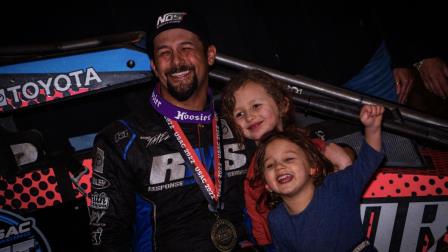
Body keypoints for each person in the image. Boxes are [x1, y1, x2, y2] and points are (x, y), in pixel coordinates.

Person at [89, 10, 255, 252]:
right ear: (155, 67)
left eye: (186, 48)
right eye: (164, 53)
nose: (177, 61)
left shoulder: (240, 120)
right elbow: (107, 237)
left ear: (209, 55)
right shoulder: (122, 138)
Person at [221, 69, 355, 247]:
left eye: (256, 106)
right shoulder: (251, 164)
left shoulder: (308, 146)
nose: (249, 116)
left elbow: (344, 167)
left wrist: (345, 157)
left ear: (282, 105)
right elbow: (255, 210)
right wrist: (264, 245)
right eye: (239, 114)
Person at [255, 104, 384, 251]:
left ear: (313, 167)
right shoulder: (276, 219)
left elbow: (369, 160)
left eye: (289, 159)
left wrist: (372, 128)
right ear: (267, 184)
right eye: (270, 165)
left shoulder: (336, 186)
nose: (279, 167)